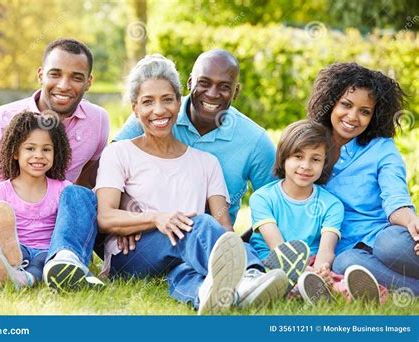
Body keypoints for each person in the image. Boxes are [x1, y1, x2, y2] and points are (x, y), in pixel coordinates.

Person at [95, 54, 288, 314]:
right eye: (148, 102)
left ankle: (213, 293)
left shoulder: (208, 162)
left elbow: (225, 228)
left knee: (189, 268)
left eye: (167, 100)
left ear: (178, 102)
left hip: (184, 251)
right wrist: (151, 218)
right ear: (135, 109)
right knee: (198, 223)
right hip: (132, 253)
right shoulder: (120, 152)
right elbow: (105, 215)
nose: (159, 110)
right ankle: (250, 275)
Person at [0, 38, 109, 288]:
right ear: (41, 75)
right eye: (55, 74)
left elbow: (84, 186)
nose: (64, 85)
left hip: (45, 228)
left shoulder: (97, 121)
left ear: (89, 82)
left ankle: (54, 262)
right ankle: (0, 257)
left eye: (76, 77)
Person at [112, 48, 275, 227]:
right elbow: (108, 166)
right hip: (149, 231)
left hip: (211, 242)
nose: (212, 94)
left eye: (224, 87)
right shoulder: (156, 115)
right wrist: (133, 216)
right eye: (204, 82)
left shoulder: (255, 141)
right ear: (190, 83)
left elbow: (277, 205)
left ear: (236, 92)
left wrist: (248, 245)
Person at [307, 62, 419, 295]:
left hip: (384, 236)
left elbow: (395, 197)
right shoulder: (309, 148)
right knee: (345, 263)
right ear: (330, 104)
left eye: (364, 111)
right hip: (347, 247)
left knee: (390, 244)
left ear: (374, 116)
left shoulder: (382, 149)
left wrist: (411, 222)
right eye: (346, 105)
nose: (353, 117)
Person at [249, 119, 383, 303]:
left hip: (312, 261)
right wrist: (300, 270)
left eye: (315, 159)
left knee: (330, 276)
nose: (306, 165)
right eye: (298, 156)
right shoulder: (262, 198)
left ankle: (344, 290)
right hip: (272, 261)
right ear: (283, 158)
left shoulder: (332, 204)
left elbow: (327, 248)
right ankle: (303, 289)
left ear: (324, 164)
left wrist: (321, 270)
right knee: (270, 277)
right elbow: (277, 246)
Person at [0, 111, 72, 289]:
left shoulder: (63, 189)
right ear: (15, 153)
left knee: (41, 263)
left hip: (47, 249)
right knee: (14, 252)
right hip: (18, 245)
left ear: (56, 153)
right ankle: (8, 258)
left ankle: (24, 279)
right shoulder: (1, 190)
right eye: (30, 148)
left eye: (46, 149)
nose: (39, 155)